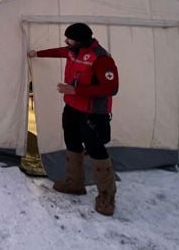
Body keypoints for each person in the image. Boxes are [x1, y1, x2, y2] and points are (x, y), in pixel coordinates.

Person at [28, 23, 119, 216]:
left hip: (93, 114)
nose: (66, 41)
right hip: (72, 108)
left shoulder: (101, 58)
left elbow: (111, 88)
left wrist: (75, 90)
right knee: (72, 143)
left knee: (96, 150)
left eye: (69, 39)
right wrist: (37, 54)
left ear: (81, 41)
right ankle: (75, 183)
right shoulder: (73, 51)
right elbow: (59, 51)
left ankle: (106, 197)